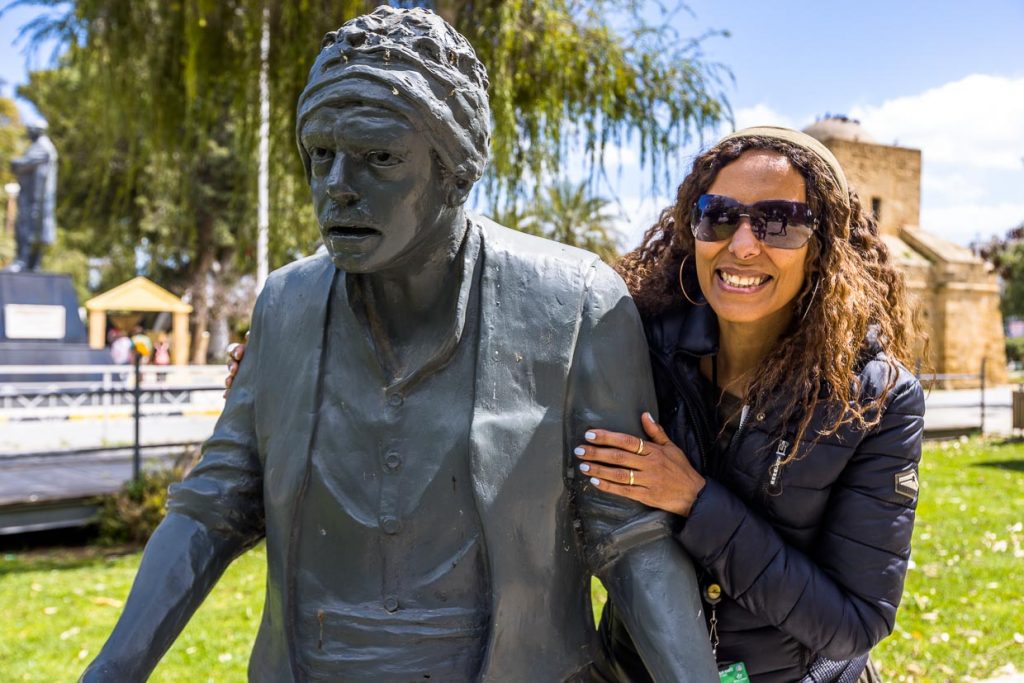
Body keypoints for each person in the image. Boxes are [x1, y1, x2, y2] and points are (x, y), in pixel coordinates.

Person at [82, 8, 716, 682]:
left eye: (379, 157)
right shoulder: (285, 305)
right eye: (320, 155)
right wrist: (112, 670)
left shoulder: (577, 303)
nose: (337, 187)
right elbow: (213, 506)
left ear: (457, 170)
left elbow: (631, 542)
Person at [574, 127, 925, 681]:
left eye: (779, 221)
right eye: (719, 215)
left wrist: (695, 501)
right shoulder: (633, 346)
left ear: (823, 244)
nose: (742, 245)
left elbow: (855, 622)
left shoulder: (876, 399)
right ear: (694, 229)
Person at [8, 122, 58, 272]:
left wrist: (14, 162)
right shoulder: (39, 146)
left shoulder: (42, 147)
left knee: (29, 231)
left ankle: (25, 262)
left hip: (36, 201)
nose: (28, 132)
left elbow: (23, 164)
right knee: (30, 231)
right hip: (32, 199)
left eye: (30, 130)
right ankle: (29, 264)